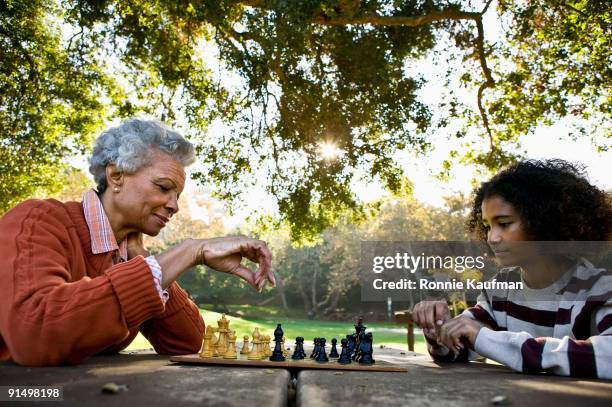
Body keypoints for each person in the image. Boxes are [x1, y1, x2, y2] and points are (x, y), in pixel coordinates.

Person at [0, 119, 275, 366]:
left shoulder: (129, 252)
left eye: (177, 195)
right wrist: (191, 250)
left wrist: (144, 261)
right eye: (164, 188)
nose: (174, 206)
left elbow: (187, 342)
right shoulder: (38, 221)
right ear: (116, 175)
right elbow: (34, 334)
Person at [413, 159, 611, 379]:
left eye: (504, 224)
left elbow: (607, 357)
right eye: (488, 226)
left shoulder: (600, 290)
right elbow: (458, 350)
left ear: (543, 222)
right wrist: (438, 329)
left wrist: (486, 338)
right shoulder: (500, 289)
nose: (492, 238)